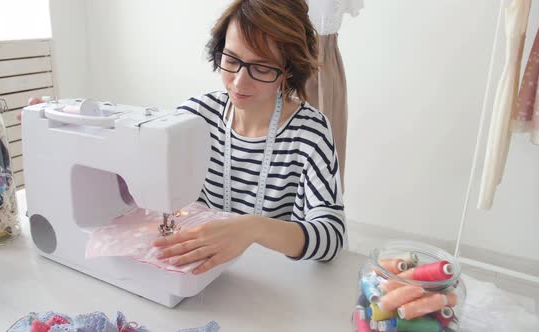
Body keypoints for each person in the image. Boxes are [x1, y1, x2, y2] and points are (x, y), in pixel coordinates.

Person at [25, 0, 346, 275]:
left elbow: (331, 235)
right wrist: (62, 131)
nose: (238, 82)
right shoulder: (197, 115)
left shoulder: (309, 132)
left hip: (271, 280)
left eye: (261, 68)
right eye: (231, 60)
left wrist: (252, 228)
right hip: (205, 270)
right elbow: (135, 171)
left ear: (288, 69)